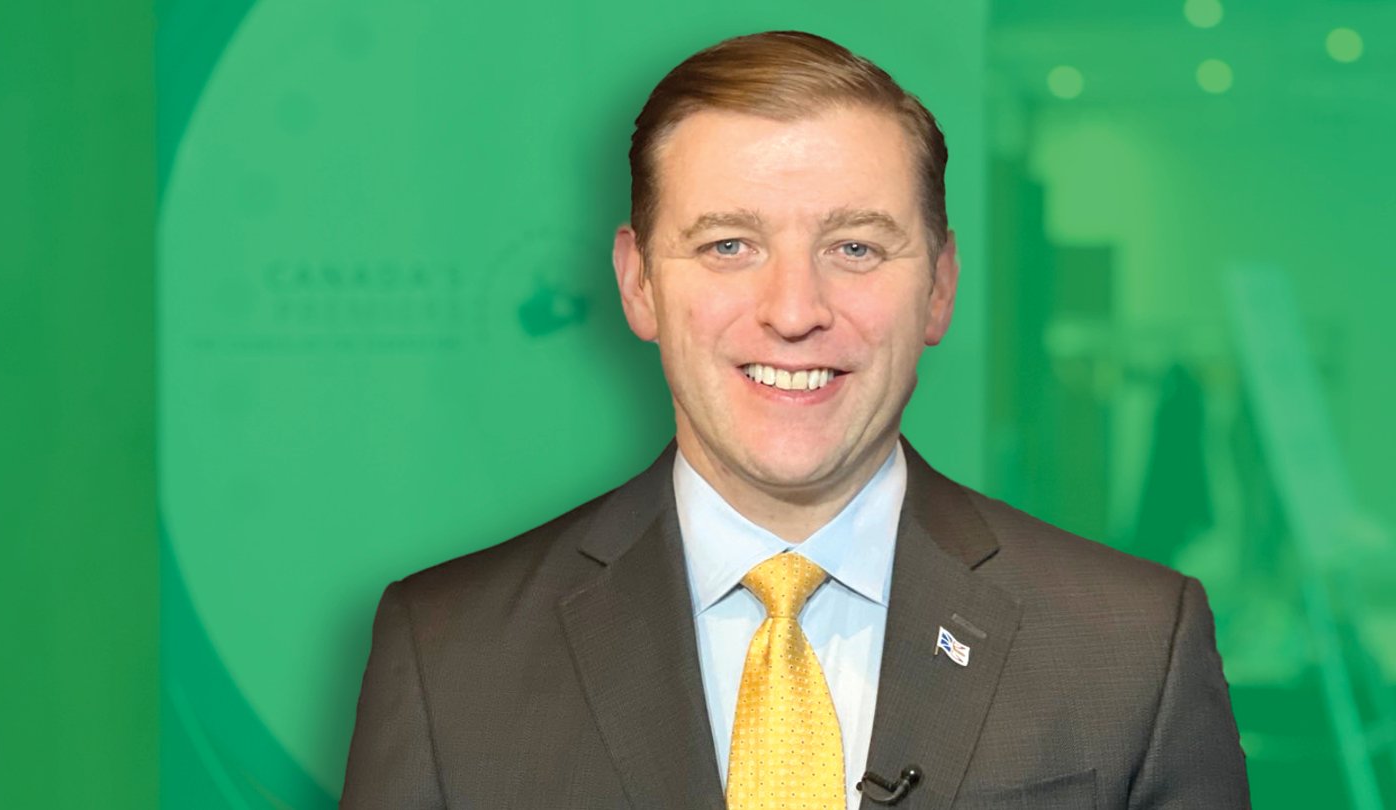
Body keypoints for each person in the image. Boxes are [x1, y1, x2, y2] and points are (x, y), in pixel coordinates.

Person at [341, 30, 1249, 809]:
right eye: (728, 245)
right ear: (637, 282)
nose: (792, 309)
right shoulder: (448, 655)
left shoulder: (1132, 648)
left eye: (855, 247)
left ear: (938, 286)